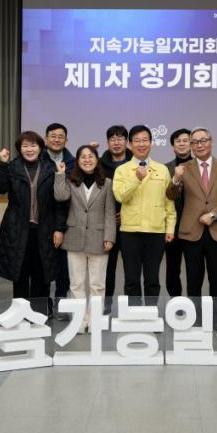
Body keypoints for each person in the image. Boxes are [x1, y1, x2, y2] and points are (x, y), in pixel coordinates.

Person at [166, 127, 217, 329]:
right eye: (195, 142)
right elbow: (171, 195)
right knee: (193, 279)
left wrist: (213, 215)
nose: (199, 145)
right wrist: (175, 179)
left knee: (216, 278)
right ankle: (194, 317)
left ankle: (216, 318)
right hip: (191, 231)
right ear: (191, 146)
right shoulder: (183, 168)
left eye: (203, 140)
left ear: (211, 142)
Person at [0, 131, 66, 315]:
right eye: (25, 146)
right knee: (20, 275)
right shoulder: (12, 167)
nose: (29, 149)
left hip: (44, 231)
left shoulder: (51, 168)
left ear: (40, 148)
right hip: (17, 231)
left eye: (33, 145)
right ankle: (21, 315)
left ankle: (40, 314)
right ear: (19, 149)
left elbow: (59, 203)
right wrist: (2, 164)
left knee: (42, 274)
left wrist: (59, 228)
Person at [54, 145, 116, 332]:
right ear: (78, 161)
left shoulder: (107, 183)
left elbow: (109, 212)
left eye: (91, 156)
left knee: (97, 284)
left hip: (99, 238)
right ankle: (80, 321)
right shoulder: (71, 181)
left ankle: (94, 320)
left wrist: (109, 236)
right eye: (83, 157)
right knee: (76, 284)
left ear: (97, 159)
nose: (87, 160)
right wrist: (60, 175)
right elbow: (60, 196)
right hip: (74, 238)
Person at [113, 124, 176, 302]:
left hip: (156, 232)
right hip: (130, 232)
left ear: (151, 143)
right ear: (130, 144)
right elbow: (120, 196)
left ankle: (151, 313)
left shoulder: (162, 169)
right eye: (137, 141)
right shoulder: (122, 170)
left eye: (145, 140)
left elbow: (169, 202)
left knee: (152, 279)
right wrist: (136, 179)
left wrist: (170, 228)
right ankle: (133, 314)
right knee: (131, 279)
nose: (141, 144)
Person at [99, 125, 133, 312]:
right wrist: (110, 216)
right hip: (107, 223)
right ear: (108, 142)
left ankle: (131, 307)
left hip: (131, 223)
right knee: (107, 268)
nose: (117, 142)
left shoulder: (136, 163)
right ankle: (106, 305)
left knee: (131, 268)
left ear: (126, 142)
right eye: (113, 138)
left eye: (120, 138)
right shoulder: (99, 164)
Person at [43, 123, 74, 312]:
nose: (56, 139)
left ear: (66, 140)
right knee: (44, 265)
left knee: (65, 268)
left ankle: (61, 303)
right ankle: (44, 304)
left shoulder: (73, 162)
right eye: (53, 136)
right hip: (43, 221)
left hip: (67, 221)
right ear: (46, 138)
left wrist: (60, 227)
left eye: (60, 136)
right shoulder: (37, 159)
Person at [164, 128, 192, 297]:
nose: (181, 144)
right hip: (172, 227)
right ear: (173, 146)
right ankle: (176, 302)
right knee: (172, 268)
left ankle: (194, 303)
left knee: (194, 269)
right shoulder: (165, 168)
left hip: (194, 226)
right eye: (178, 141)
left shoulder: (199, 167)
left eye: (185, 141)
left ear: (192, 144)